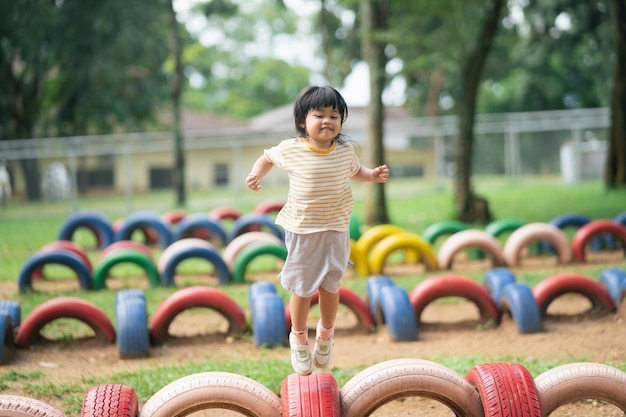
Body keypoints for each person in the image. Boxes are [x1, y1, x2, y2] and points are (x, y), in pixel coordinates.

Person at [246, 86, 389, 375]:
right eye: (319, 115)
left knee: (331, 285)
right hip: (303, 230)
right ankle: (298, 337)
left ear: (341, 122)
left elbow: (355, 171)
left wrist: (371, 175)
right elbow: (267, 157)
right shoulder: (292, 149)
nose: (327, 121)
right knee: (303, 287)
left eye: (334, 116)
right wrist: (255, 174)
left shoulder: (345, 152)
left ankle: (326, 334)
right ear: (303, 121)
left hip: (336, 228)